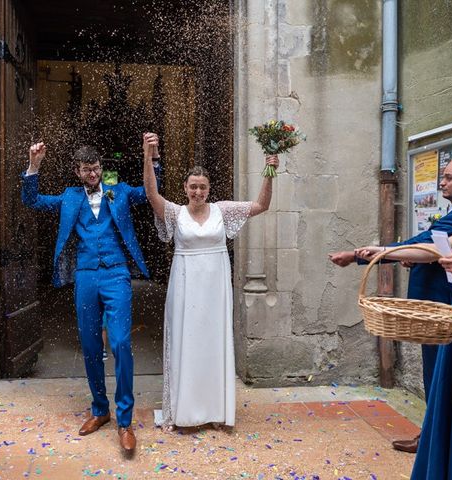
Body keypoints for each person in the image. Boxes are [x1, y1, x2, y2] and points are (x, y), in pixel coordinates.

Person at [329, 155, 452, 453]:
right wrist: (378, 252)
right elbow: (429, 247)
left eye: (450, 177)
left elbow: (430, 244)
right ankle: (437, 440)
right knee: (442, 379)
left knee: (450, 381)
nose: (442, 182)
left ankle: (441, 441)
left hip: (451, 308)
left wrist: (370, 254)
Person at [21, 140, 160, 454]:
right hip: (85, 275)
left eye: (96, 168)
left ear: (101, 167)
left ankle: (124, 420)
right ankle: (100, 410)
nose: (93, 173)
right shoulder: (70, 197)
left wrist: (153, 157)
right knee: (90, 344)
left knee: (121, 342)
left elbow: (151, 192)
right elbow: (32, 201)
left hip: (116, 273)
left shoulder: (117, 189)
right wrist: (34, 165)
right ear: (77, 172)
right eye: (87, 169)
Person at [142, 132, 279, 430]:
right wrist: (147, 156)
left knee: (212, 342)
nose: (198, 192)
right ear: (185, 188)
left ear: (208, 189)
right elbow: (152, 195)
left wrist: (270, 171)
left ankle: (216, 411)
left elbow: (261, 205)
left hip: (215, 288)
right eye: (193, 187)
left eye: (202, 187)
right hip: (185, 285)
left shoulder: (223, 210)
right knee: (186, 342)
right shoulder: (175, 214)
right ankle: (184, 412)